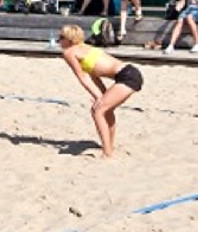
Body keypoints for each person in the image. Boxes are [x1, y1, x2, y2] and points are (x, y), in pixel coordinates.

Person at [57, 24, 144, 159]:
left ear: (69, 39)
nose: (58, 41)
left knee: (98, 111)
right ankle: (109, 145)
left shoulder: (69, 52)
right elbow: (94, 75)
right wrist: (102, 94)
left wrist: (98, 97)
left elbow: (83, 78)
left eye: (61, 37)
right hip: (130, 72)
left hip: (127, 77)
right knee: (106, 110)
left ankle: (107, 153)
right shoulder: (86, 48)